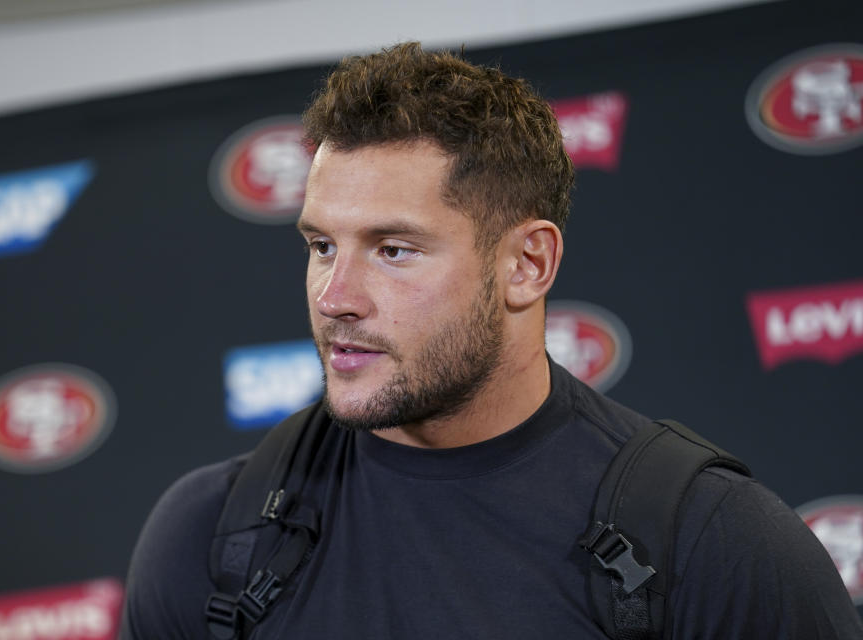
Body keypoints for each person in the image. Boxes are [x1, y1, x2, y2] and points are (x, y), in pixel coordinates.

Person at [120, 42, 863, 639]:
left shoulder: (712, 546)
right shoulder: (212, 533)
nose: (334, 297)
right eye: (321, 245)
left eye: (394, 250)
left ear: (526, 265)